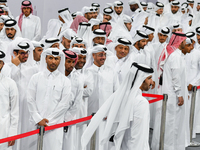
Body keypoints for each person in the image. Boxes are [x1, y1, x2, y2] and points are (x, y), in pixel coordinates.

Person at [81, 62, 154, 150]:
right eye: (149, 78)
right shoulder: (141, 102)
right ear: (140, 79)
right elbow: (138, 137)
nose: (151, 82)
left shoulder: (121, 97)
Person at [27, 48, 71, 150]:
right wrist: (38, 119)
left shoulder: (65, 81)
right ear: (45, 59)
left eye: (56, 59)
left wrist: (48, 122)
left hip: (54, 127)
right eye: (50, 58)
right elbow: (30, 99)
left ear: (60, 60)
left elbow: (64, 104)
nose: (53, 61)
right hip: (35, 123)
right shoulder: (35, 78)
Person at [152, 32, 189, 150]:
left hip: (167, 92)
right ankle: (169, 147)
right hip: (172, 94)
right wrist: (180, 94)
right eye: (184, 41)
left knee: (166, 120)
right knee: (171, 122)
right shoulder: (175, 56)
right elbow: (176, 77)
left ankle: (162, 145)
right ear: (180, 41)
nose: (185, 43)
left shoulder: (170, 53)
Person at [86, 44, 119, 149]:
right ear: (94, 56)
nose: (103, 57)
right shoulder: (87, 71)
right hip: (89, 115)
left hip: (106, 115)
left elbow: (117, 92)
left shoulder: (111, 72)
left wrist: (111, 111)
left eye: (104, 55)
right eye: (100, 55)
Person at [62, 49, 83, 150]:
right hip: (53, 119)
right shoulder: (56, 76)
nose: (71, 65)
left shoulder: (77, 78)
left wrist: (66, 119)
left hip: (69, 119)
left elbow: (77, 102)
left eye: (72, 62)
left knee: (68, 145)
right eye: (68, 61)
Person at [0, 50, 19, 150]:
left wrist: (13, 133)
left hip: (4, 130)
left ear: (2, 64)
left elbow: (14, 111)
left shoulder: (10, 83)